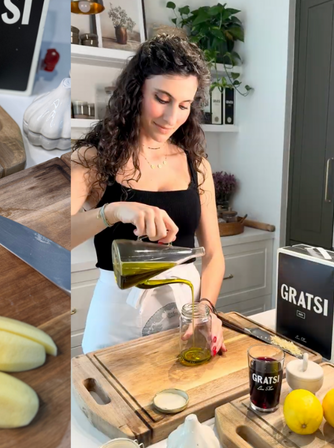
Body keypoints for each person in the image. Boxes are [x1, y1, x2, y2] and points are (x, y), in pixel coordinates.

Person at [71, 34, 227, 356]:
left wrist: (207, 310)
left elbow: (213, 255)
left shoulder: (196, 166)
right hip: (116, 325)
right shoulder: (93, 159)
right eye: (162, 98)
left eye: (184, 105)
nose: (171, 118)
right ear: (137, 90)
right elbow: (51, 237)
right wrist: (112, 211)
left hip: (186, 322)